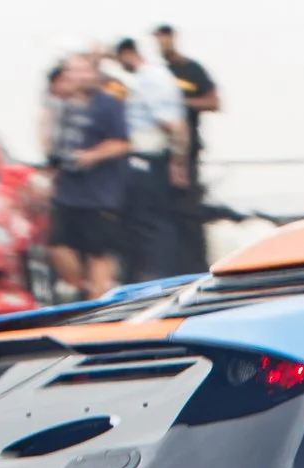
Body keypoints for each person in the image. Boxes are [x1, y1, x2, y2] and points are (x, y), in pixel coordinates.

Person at [46, 53, 131, 300]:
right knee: (57, 245)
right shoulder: (61, 106)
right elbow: (52, 147)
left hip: (99, 193)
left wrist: (92, 156)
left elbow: (122, 143)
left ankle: (98, 302)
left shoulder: (108, 104)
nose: (80, 76)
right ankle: (78, 286)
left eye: (85, 70)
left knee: (99, 252)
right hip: (67, 191)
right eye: (74, 71)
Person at [114, 37, 186, 280]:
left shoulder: (151, 79)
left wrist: (177, 161)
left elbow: (171, 123)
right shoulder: (152, 77)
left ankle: (160, 276)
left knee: (152, 223)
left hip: (149, 159)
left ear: (127, 53)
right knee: (147, 222)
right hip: (148, 159)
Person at [153, 25, 219, 274]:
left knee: (189, 212)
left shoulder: (192, 70)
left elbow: (214, 101)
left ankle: (197, 267)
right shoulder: (155, 73)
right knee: (164, 215)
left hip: (188, 154)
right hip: (161, 155)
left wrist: (179, 102)